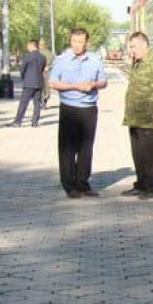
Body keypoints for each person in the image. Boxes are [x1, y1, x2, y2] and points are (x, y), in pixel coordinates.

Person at [49, 28, 107, 199]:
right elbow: (53, 82)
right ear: (70, 41)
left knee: (86, 147)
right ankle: (69, 184)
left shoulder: (95, 60)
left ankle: (83, 182)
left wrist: (94, 84)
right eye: (74, 41)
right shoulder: (62, 60)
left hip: (89, 108)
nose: (77, 45)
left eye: (80, 42)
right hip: (69, 107)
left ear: (86, 43)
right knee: (67, 148)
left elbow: (104, 82)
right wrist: (74, 87)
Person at [122, 32, 153, 198]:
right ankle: (141, 184)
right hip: (134, 118)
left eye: (134, 46)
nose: (132, 50)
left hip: (149, 118)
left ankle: (152, 187)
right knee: (138, 153)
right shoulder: (138, 63)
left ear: (145, 45)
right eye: (130, 47)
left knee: (150, 155)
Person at [10, 40, 47, 127]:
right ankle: (34, 122)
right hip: (39, 82)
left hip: (29, 82)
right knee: (37, 103)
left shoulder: (27, 56)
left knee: (23, 103)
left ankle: (17, 121)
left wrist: (24, 77)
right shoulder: (42, 57)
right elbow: (42, 69)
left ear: (31, 45)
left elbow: (23, 69)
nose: (27, 48)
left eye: (28, 46)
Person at [38, 39, 54, 108]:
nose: (41, 46)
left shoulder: (49, 53)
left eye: (42, 44)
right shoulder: (38, 53)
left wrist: (48, 67)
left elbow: (54, 62)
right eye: (41, 44)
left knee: (45, 88)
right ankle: (43, 102)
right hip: (41, 72)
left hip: (45, 72)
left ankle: (44, 102)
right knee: (42, 88)